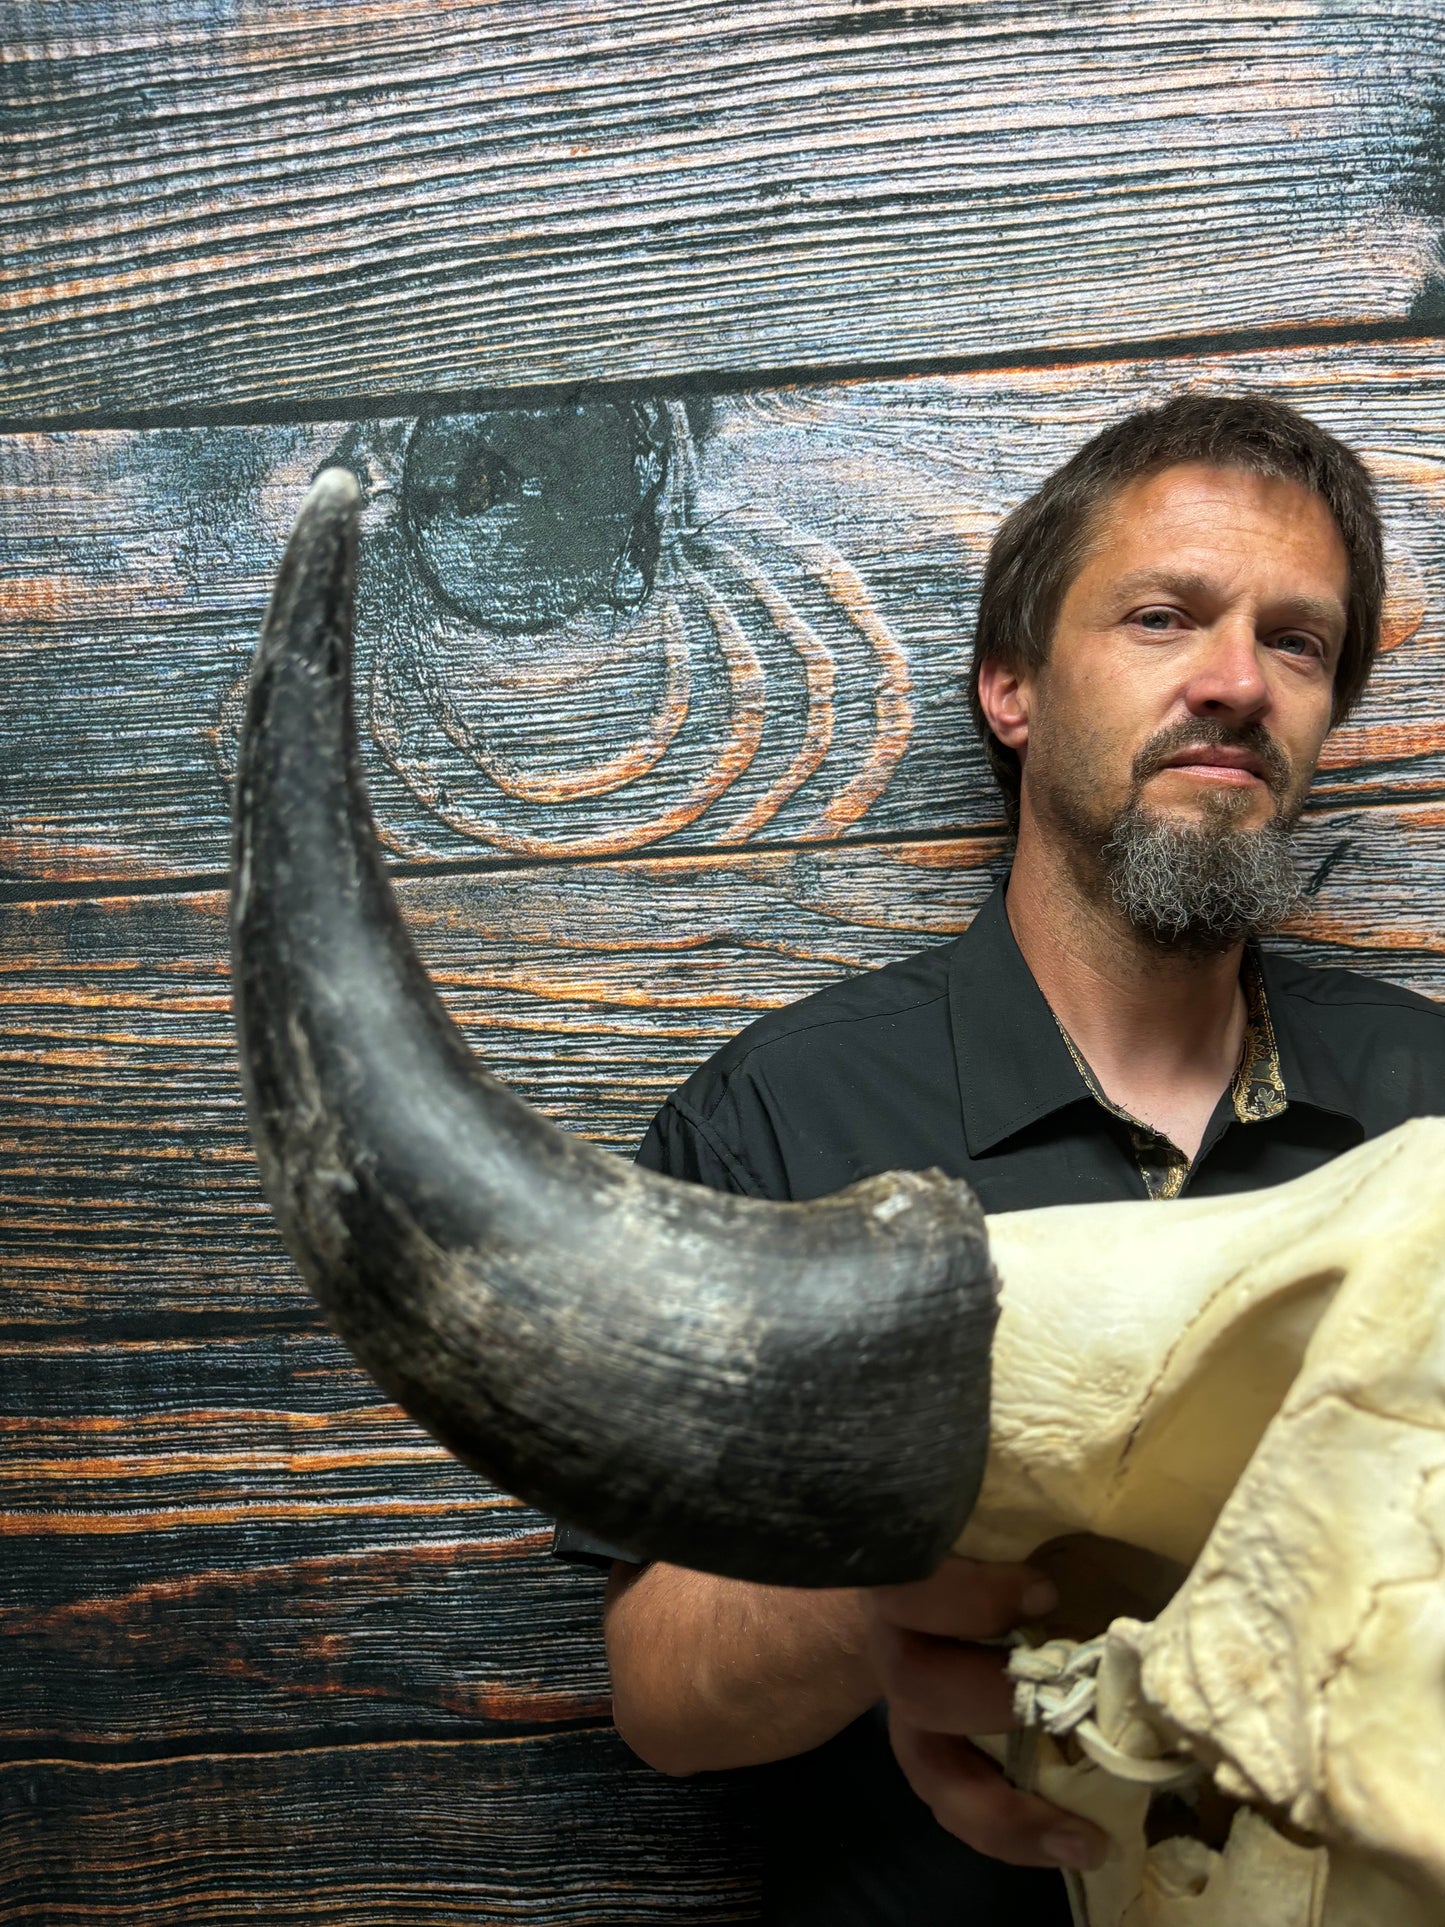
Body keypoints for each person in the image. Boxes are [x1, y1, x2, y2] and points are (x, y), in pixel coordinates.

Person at [553, 392, 1445, 1923]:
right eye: (1163, 617)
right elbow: (661, 1694)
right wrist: (885, 1584)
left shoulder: (1432, 1093)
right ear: (1011, 685)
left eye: (1295, 643)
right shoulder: (784, 1118)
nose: (1233, 681)